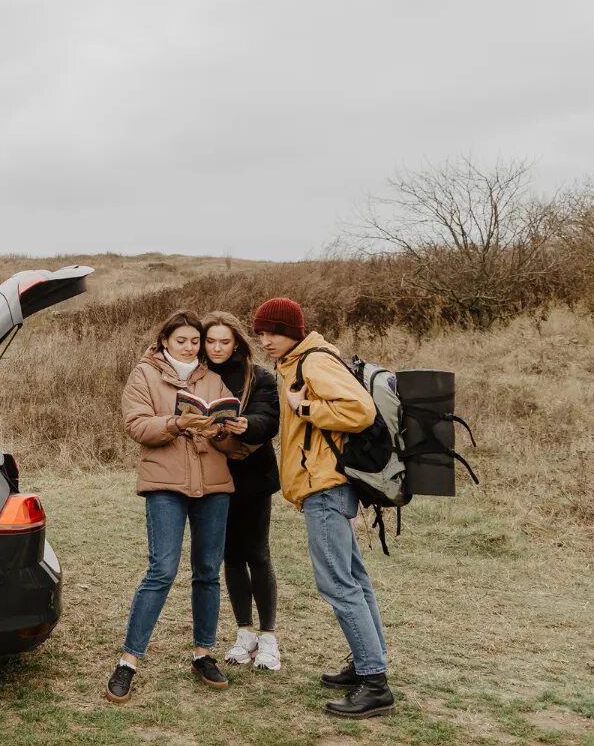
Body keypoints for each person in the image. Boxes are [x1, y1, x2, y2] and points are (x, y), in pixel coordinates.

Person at [252, 297, 395, 719]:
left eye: (272, 332)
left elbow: (360, 410)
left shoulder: (312, 362)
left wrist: (307, 408)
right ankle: (367, 664)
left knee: (338, 584)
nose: (265, 341)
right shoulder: (300, 361)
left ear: (293, 331)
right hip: (323, 485)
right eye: (260, 333)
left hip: (325, 487)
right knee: (354, 579)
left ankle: (375, 684)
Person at [104, 310, 237, 703]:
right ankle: (128, 661)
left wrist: (225, 430)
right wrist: (177, 424)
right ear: (165, 341)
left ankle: (203, 653)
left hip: (213, 484)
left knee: (209, 571)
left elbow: (227, 439)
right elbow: (136, 426)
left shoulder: (213, 379)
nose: (191, 347)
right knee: (162, 569)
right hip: (165, 482)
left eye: (195, 341)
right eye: (182, 340)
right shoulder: (144, 375)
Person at [202, 311, 283, 671]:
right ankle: (244, 632)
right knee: (230, 556)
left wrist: (247, 423)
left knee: (257, 554)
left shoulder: (260, 376)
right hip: (212, 475)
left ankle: (268, 638)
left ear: (236, 342)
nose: (217, 348)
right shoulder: (197, 376)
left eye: (224, 341)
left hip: (252, 476)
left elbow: (270, 420)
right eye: (210, 340)